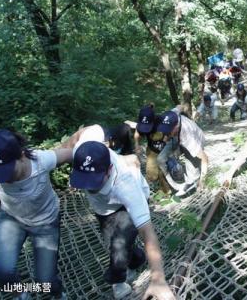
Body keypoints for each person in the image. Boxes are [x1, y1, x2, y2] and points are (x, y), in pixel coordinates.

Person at [69, 125, 175, 300]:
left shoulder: (127, 185)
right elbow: (83, 133)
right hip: (103, 209)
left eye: (94, 182)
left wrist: (158, 279)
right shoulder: (81, 152)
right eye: (83, 180)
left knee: (118, 245)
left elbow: (148, 234)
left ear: (109, 170)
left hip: (126, 202)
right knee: (113, 243)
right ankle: (137, 259)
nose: (88, 187)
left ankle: (118, 282)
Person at [0, 129, 78, 300]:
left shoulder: (41, 160)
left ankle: (56, 294)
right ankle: (21, 294)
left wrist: (82, 173)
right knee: (3, 271)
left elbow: (72, 154)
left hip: (45, 222)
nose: (2, 178)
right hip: (11, 218)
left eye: (6, 171)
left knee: (46, 281)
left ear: (21, 156)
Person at [156, 111, 209, 197]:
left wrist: (203, 180)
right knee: (160, 159)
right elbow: (180, 106)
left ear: (176, 126)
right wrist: (166, 139)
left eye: (168, 131)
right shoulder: (172, 116)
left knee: (193, 177)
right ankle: (175, 185)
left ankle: (192, 182)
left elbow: (205, 158)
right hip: (177, 137)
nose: (166, 133)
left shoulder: (188, 138)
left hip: (195, 140)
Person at [133, 106, 171, 193]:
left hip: (163, 146)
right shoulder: (142, 122)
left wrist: (166, 141)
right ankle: (165, 190)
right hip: (151, 148)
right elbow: (137, 133)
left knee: (159, 169)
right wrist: (136, 145)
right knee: (154, 172)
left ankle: (167, 189)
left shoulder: (161, 121)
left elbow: (170, 134)